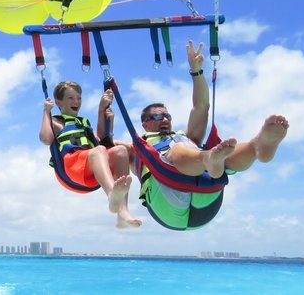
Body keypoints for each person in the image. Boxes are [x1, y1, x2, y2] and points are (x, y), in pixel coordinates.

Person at [106, 40, 289, 230]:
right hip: (168, 208)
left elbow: (201, 106)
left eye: (167, 116)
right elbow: (102, 142)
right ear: (145, 124)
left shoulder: (188, 136)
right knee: (181, 148)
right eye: (158, 116)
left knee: (216, 155)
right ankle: (207, 159)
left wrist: (196, 71)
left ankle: (257, 146)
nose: (165, 119)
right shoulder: (135, 149)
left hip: (208, 201)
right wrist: (103, 111)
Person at [40, 81, 142, 228]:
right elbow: (46, 139)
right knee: (98, 151)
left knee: (120, 151)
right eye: (70, 98)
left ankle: (123, 214)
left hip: (92, 171)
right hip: (72, 168)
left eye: (79, 98)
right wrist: (46, 112)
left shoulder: (84, 123)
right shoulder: (56, 121)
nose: (76, 101)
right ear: (59, 102)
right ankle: (112, 194)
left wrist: (103, 113)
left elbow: (102, 140)